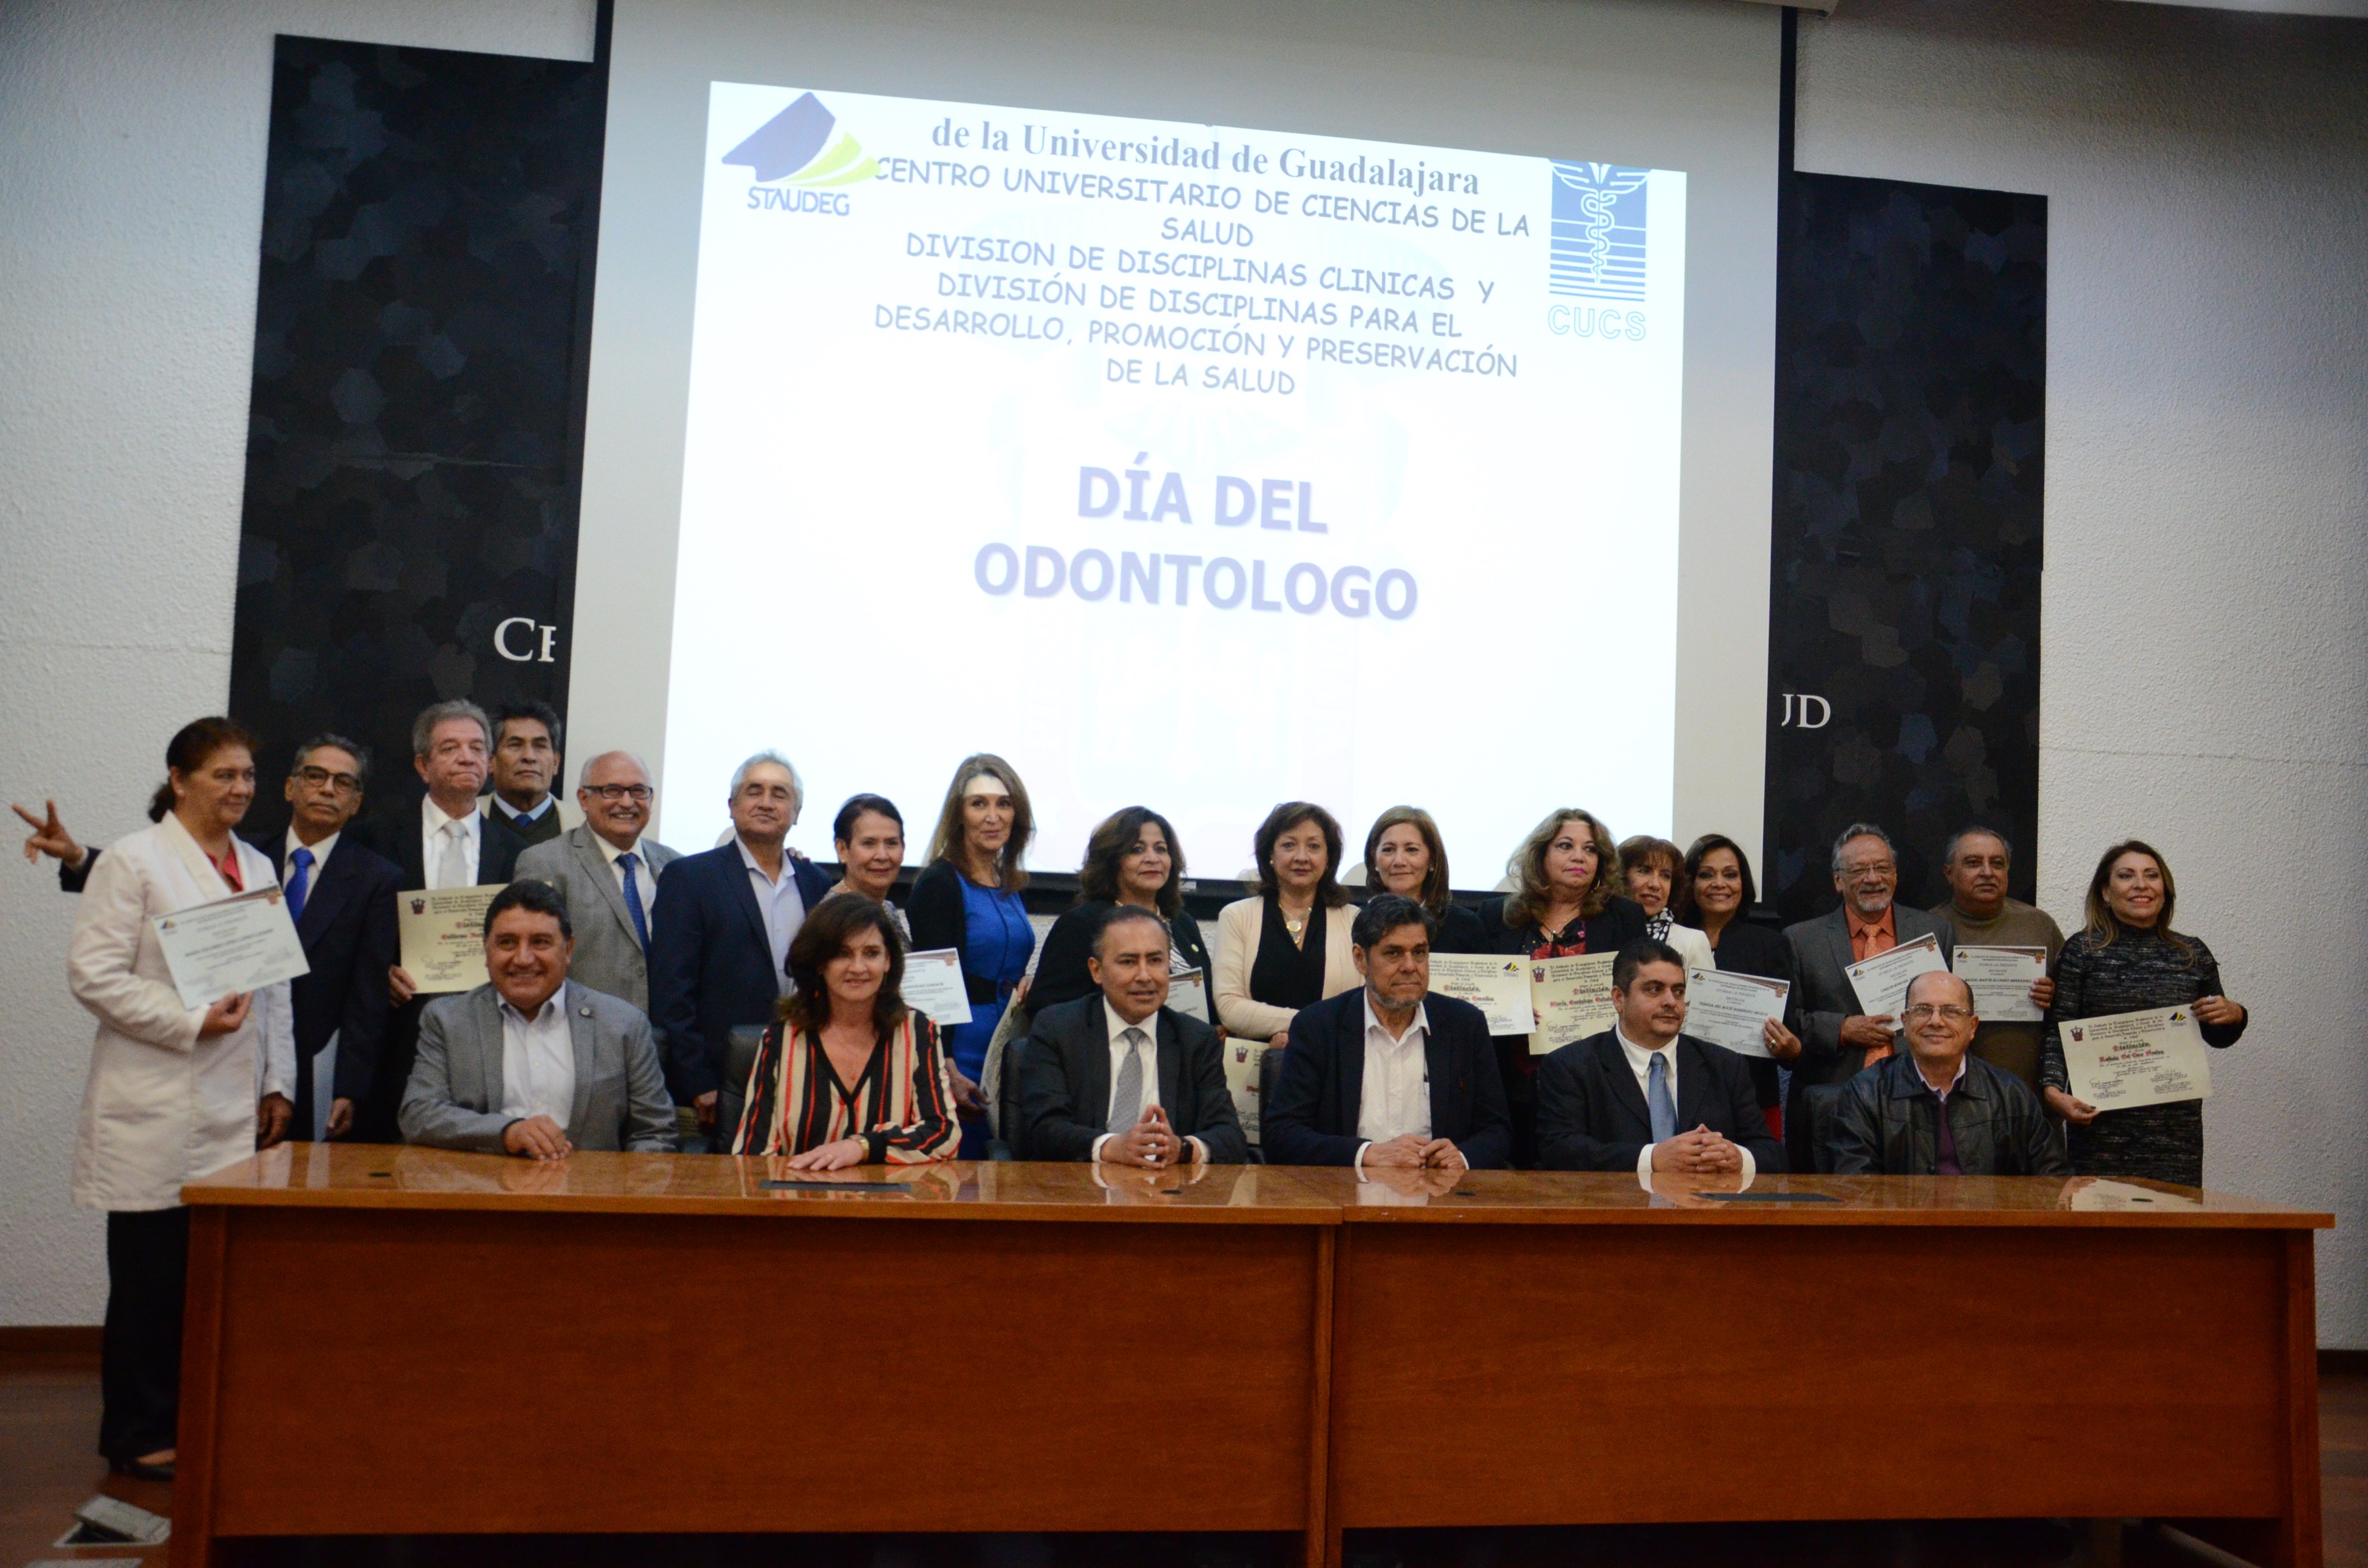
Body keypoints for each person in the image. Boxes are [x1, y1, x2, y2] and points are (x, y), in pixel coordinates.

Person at [65, 717, 296, 1481]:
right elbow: (93, 977)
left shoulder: (259, 861)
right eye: (223, 775)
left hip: (236, 1106)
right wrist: (190, 1022)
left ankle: (193, 1418)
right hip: (154, 1101)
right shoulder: (133, 861)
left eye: (248, 778)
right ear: (179, 779)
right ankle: (135, 1433)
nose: (239, 790)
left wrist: (276, 1083)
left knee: (211, 1280)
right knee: (148, 1283)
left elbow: (274, 989)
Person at [22, 737, 403, 1144]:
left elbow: (367, 996)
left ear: (357, 803)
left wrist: (349, 1086)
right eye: (316, 776)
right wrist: (78, 855)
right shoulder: (248, 854)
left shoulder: (376, 877)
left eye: (343, 782)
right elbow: (164, 872)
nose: (328, 789)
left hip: (312, 1059)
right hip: (221, 1052)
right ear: (291, 787)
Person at [399, 879, 677, 1157]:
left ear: (568, 951)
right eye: (507, 942)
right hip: (483, 1190)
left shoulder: (624, 1024)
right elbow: (419, 1115)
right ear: (486, 949)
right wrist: (508, 1132)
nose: (522, 958)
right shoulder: (447, 1020)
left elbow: (654, 1131)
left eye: (540, 942)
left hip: (591, 1192)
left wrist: (630, 1191)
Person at [647, 751, 836, 1150]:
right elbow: (671, 991)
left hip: (807, 1074)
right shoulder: (690, 878)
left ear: (797, 813)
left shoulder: (818, 884)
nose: (767, 802)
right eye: (755, 791)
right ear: (732, 806)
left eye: (780, 794)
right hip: (722, 1081)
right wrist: (697, 1080)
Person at [363, 700, 529, 1143]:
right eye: (450, 748)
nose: (466, 758)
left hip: (487, 1032)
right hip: (396, 1032)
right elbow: (353, 934)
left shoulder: (516, 853)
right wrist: (378, 974)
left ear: (490, 764)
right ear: (423, 764)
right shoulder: (375, 839)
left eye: (477, 748)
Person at [2040, 841, 2247, 1188]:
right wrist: (2052, 1091)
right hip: (2099, 1126)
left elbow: (2218, 1034)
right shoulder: (2082, 950)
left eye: (2151, 876)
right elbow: (2059, 1031)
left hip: (2174, 1132)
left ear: (2164, 890)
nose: (2141, 884)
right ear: (2106, 892)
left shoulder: (2191, 953)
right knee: (2099, 1230)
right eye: (2126, 875)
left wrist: (2236, 1014)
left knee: (2171, 1232)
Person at [1262, 894, 1511, 1170]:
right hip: (1348, 1192)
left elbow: (1497, 1131)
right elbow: (1282, 1134)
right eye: (1393, 953)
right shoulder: (1318, 1026)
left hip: (1440, 1194)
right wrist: (1367, 1154)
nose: (1409, 966)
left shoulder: (1464, 1024)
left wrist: (1461, 1157)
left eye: (1419, 953)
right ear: (1361, 959)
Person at [730, 892, 961, 1165]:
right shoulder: (782, 1038)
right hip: (800, 1198)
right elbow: (752, 1155)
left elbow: (944, 1134)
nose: (858, 968)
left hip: (889, 1201)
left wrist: (862, 1147)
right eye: (842, 954)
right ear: (819, 963)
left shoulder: (918, 1031)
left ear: (888, 961)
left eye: (871, 953)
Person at [1476, 808, 1648, 1167]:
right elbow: (1482, 992)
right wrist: (1510, 1011)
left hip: (1594, 1079)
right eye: (1565, 846)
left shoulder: (1624, 917)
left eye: (1590, 850)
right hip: (1512, 1076)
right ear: (1541, 855)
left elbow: (1638, 988)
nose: (1579, 857)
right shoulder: (1498, 916)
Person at [1782, 823, 1955, 1171]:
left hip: (1919, 1094)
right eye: (1859, 870)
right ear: (1837, 881)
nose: (1873, 878)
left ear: (1895, 874)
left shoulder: (1934, 932)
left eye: (1882, 868)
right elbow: (1787, 1022)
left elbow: (1954, 1007)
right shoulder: (1801, 940)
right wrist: (1843, 1029)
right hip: (1834, 1097)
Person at [1017, 905, 1247, 1165]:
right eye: (1128, 962)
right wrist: (1112, 1147)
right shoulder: (1058, 1029)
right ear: (1096, 970)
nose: (1144, 976)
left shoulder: (1196, 1039)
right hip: (1079, 1189)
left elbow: (1230, 1137)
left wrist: (1181, 1148)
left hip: (1167, 1192)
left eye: (1155, 961)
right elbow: (1043, 1129)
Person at [1533, 938, 1782, 1177]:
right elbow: (1559, 1149)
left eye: (1678, 991)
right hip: (1614, 1211)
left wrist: (1739, 1158)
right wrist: (1651, 1159)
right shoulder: (1572, 1065)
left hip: (1705, 1212)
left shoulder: (1726, 1065)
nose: (1670, 1002)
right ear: (1619, 999)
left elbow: (1772, 1154)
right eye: (1654, 990)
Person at [906, 754, 1037, 1156]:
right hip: (960, 1049)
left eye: (1004, 803)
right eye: (979, 803)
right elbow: (929, 987)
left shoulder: (1007, 881)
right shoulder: (939, 882)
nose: (992, 816)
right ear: (959, 814)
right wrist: (944, 1067)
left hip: (1009, 1041)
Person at [1829, 970, 2068, 1176]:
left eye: (1951, 1012)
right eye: (1923, 1010)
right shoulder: (1866, 1092)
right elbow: (1856, 1186)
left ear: (1972, 1026)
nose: (1936, 1021)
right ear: (1905, 1021)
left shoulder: (2010, 1094)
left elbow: (2051, 1181)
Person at [511, 751, 679, 1013]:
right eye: (612, 791)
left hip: (665, 1036)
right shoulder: (546, 862)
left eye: (638, 791)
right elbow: (533, 960)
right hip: (584, 1031)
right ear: (584, 799)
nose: (627, 802)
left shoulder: (674, 865)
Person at [1028, 806, 1217, 1015]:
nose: (1152, 858)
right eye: (1137, 850)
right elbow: (1046, 1009)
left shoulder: (1183, 923)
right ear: (1112, 860)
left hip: (1184, 1046)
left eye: (1161, 849)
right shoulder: (1082, 923)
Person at [1671, 834, 1802, 1135]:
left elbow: (1793, 1033)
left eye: (1730, 874)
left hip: (1752, 1098)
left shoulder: (1770, 945)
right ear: (1690, 883)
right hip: (1678, 1095)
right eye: (1707, 875)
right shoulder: (1669, 940)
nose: (1720, 883)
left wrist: (1791, 1048)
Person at [1213, 801, 1360, 1047]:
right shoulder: (1236, 916)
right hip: (1254, 1068)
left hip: (1334, 1059)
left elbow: (1359, 1005)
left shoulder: (1353, 919)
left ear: (1329, 857)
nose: (1301, 857)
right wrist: (1311, 1023)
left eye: (1314, 846)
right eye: (1289, 845)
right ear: (1270, 854)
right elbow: (1229, 1006)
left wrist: (1305, 1028)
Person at [1930, 826, 2062, 1095]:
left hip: (2030, 1090)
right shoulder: (1929, 928)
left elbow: (2071, 1005)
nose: (1988, 873)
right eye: (1973, 863)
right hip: (1949, 1090)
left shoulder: (2039, 924)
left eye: (1997, 863)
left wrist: (2055, 994)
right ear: (1949, 873)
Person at [1360, 806, 1484, 952]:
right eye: (1388, 850)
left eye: (1411, 850)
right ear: (1374, 860)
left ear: (1432, 860)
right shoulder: (1357, 922)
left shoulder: (1465, 926)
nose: (1399, 861)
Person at [1616, 835, 1713, 972]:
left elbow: (1705, 995)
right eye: (1645, 871)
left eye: (1665, 876)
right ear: (1621, 876)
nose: (1655, 885)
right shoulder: (1599, 931)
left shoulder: (1693, 942)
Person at [825, 793, 910, 938]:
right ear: (842, 849)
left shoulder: (887, 909)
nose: (882, 856)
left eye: (891, 843)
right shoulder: (832, 917)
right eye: (869, 843)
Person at [481, 699, 564, 847]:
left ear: (556, 763)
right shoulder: (465, 819)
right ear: (490, 761)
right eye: (515, 745)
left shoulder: (585, 824)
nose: (529, 757)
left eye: (540, 746)